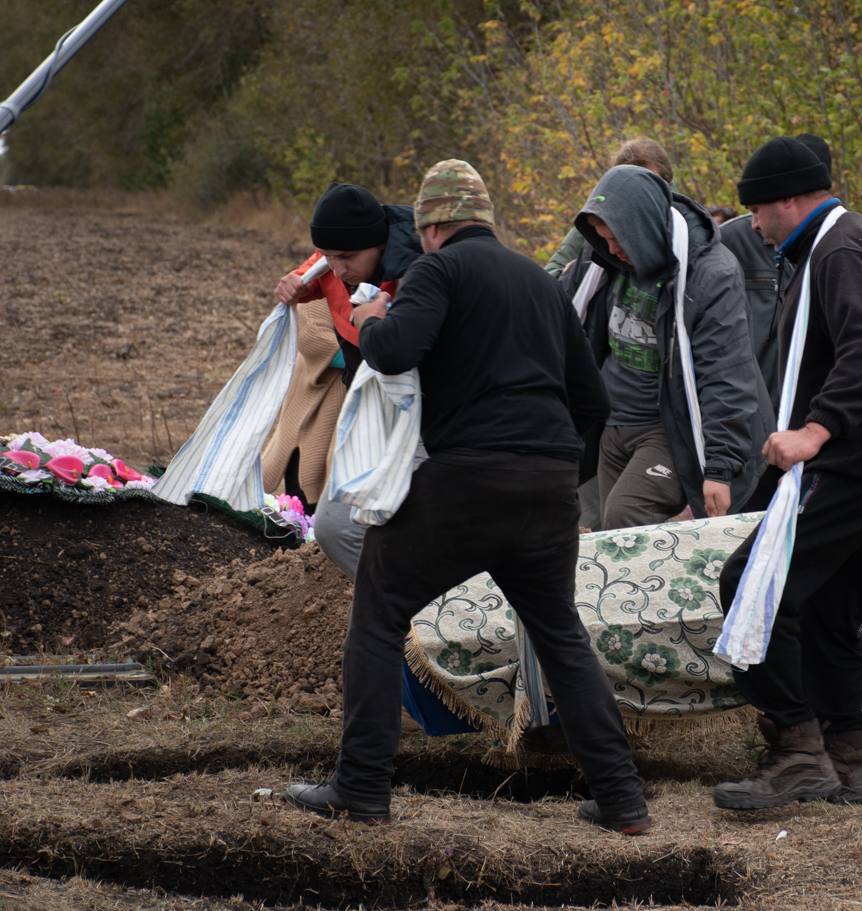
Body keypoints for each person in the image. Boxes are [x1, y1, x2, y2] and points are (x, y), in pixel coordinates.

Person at [283, 159, 650, 834]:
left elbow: (395, 352)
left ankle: (360, 787)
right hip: (547, 485)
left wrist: (368, 315)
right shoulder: (540, 285)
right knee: (561, 634)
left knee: (378, 608)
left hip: (469, 475)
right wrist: (559, 475)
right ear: (484, 218)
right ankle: (623, 799)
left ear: (430, 225)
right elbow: (592, 399)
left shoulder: (436, 270)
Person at [711, 136, 862, 810]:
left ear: (790, 197)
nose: (755, 224)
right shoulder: (842, 243)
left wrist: (815, 432)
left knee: (752, 584)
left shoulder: (838, 249)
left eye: (758, 209)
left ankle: (797, 751)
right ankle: (849, 759)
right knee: (829, 610)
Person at [560, 164, 772, 528]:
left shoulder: (710, 275)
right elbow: (560, 315)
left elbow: (726, 374)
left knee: (624, 515)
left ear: (641, 227)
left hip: (671, 428)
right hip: (613, 425)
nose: (612, 250)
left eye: (618, 239)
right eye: (602, 240)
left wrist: (720, 468)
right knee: (610, 535)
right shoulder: (603, 261)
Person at [272, 182, 423, 575]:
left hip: (424, 419)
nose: (338, 269)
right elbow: (312, 272)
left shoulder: (419, 271)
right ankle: (400, 607)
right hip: (369, 415)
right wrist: (295, 279)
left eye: (347, 257)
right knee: (336, 526)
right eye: (330, 257)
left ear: (380, 242)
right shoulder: (333, 263)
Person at [721, 133, 834, 410]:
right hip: (749, 407)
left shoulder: (839, 246)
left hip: (813, 412)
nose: (756, 224)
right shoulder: (729, 242)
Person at [544, 137, 675, 278]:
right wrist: (572, 272)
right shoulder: (594, 225)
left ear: (666, 183)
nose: (640, 192)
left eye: (650, 183)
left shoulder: (684, 229)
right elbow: (550, 278)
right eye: (628, 184)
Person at [260, 298, 344, 512]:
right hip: (313, 414)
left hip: (357, 419)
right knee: (306, 498)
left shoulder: (387, 282)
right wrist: (377, 349)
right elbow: (316, 341)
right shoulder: (320, 285)